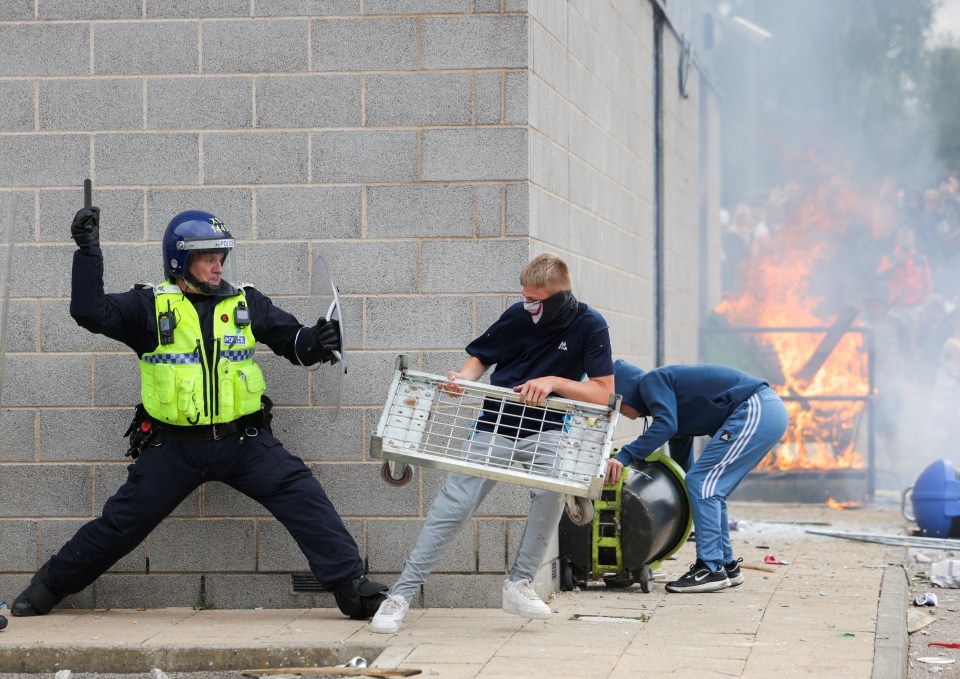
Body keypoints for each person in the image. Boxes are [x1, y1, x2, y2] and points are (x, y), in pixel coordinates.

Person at [12, 206, 387, 619]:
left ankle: (352, 589)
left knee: (303, 494)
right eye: (207, 257)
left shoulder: (246, 302)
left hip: (244, 442)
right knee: (122, 524)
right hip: (173, 448)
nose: (217, 265)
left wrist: (319, 339)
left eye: (221, 256)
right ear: (179, 261)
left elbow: (293, 342)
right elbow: (89, 313)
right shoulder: (148, 307)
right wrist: (88, 252)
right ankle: (49, 586)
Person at [369, 253, 614, 633]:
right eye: (525, 297)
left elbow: (602, 392)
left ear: (560, 298)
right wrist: (460, 379)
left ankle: (519, 583)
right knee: (454, 506)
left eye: (535, 300)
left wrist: (554, 382)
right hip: (496, 422)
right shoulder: (518, 316)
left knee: (550, 494)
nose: (528, 305)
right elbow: (479, 357)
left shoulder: (590, 325)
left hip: (548, 427)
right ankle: (400, 595)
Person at [606, 360, 788, 593]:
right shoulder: (670, 408)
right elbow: (685, 469)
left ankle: (710, 568)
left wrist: (624, 456)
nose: (618, 412)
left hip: (757, 408)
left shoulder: (652, 381)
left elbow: (666, 427)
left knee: (704, 485)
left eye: (616, 404)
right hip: (764, 411)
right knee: (707, 488)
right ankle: (726, 564)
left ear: (625, 391)